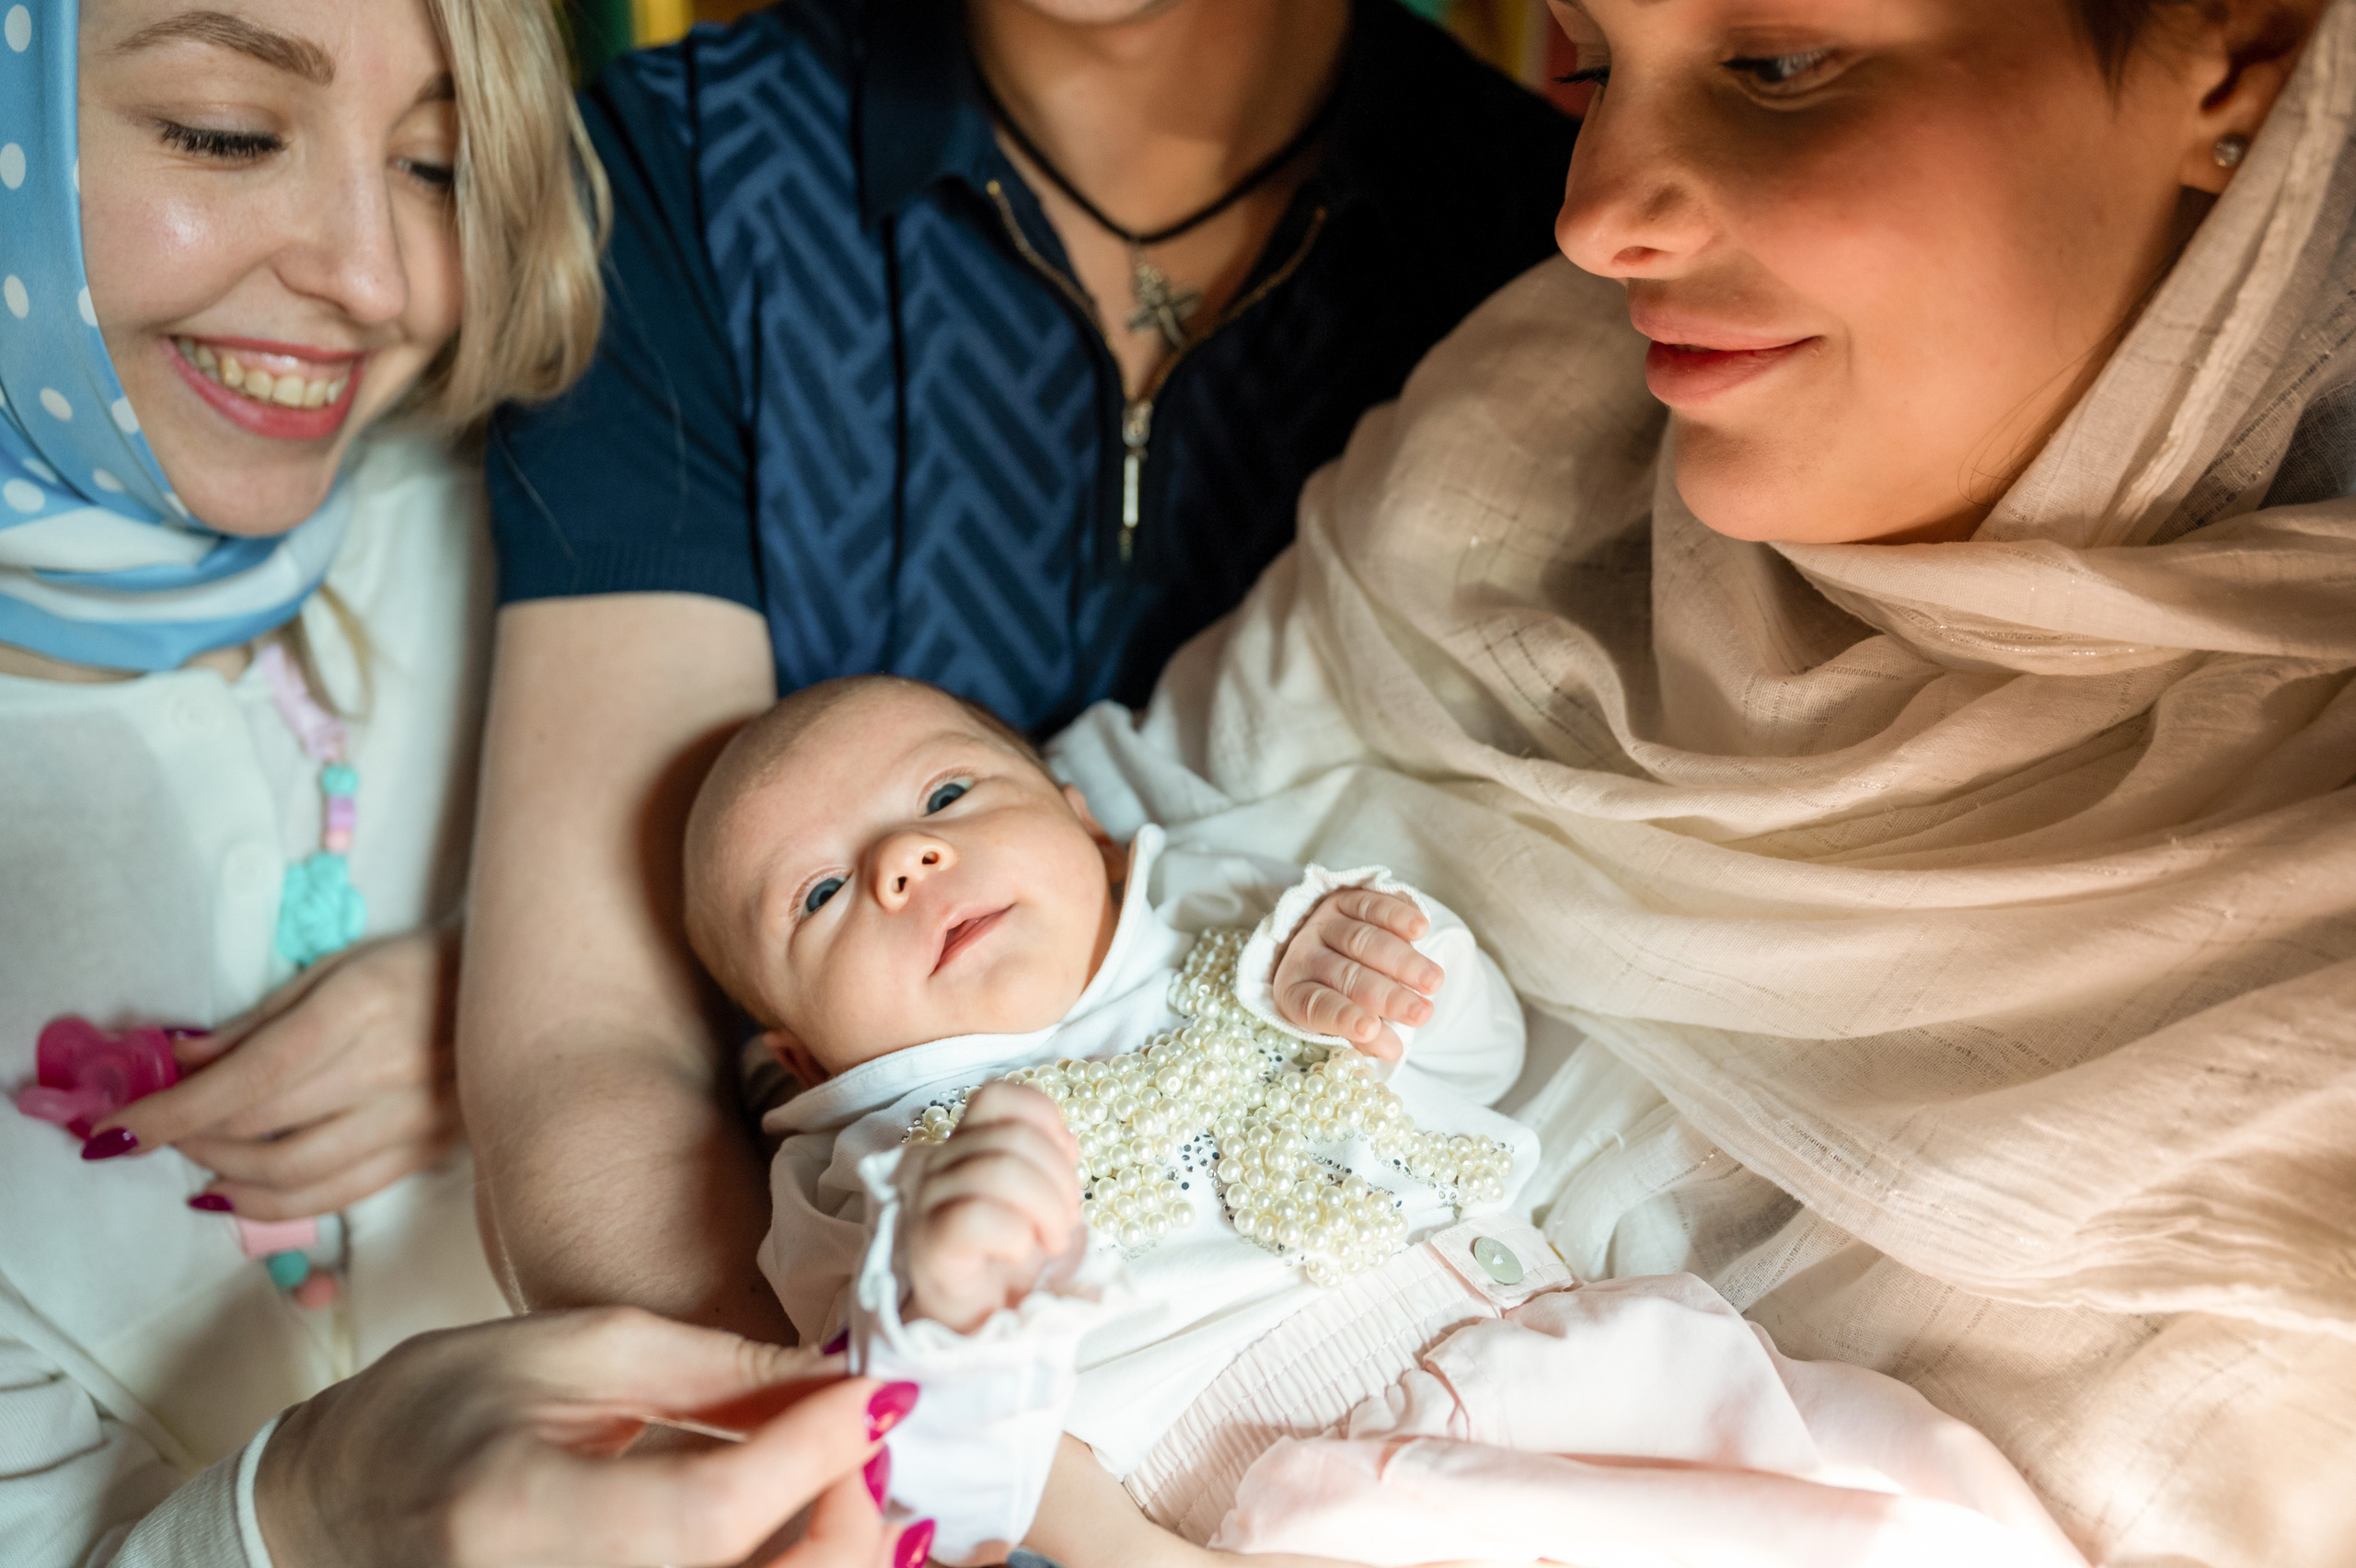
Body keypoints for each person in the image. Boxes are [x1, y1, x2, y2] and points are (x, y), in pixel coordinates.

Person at [1047, 0, 2356, 1561]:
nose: (1594, 216)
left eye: (1779, 68)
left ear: (2244, 52)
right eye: (1591, 61)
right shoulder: (1516, 459)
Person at [457, 0, 1582, 1345]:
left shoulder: (1563, 226)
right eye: (834, 882)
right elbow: (592, 1049)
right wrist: (964, 1491)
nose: (906, 864)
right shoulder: (676, 184)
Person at [0, 3, 909, 1563]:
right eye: (223, 132)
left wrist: (545, 991)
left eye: (436, 163)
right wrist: (311, 1504)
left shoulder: (552, 519)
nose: (374, 276)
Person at [679, 675, 2081, 1568]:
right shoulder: (859, 1161)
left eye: (944, 796)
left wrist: (1395, 970)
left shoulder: (1230, 917)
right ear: (798, 1054)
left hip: (1572, 1360)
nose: (906, 862)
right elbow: (891, 1399)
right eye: (817, 896)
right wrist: (941, 1280)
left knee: (1887, 1486)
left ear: (1077, 817)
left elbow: (1472, 1060)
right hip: (1293, 1504)